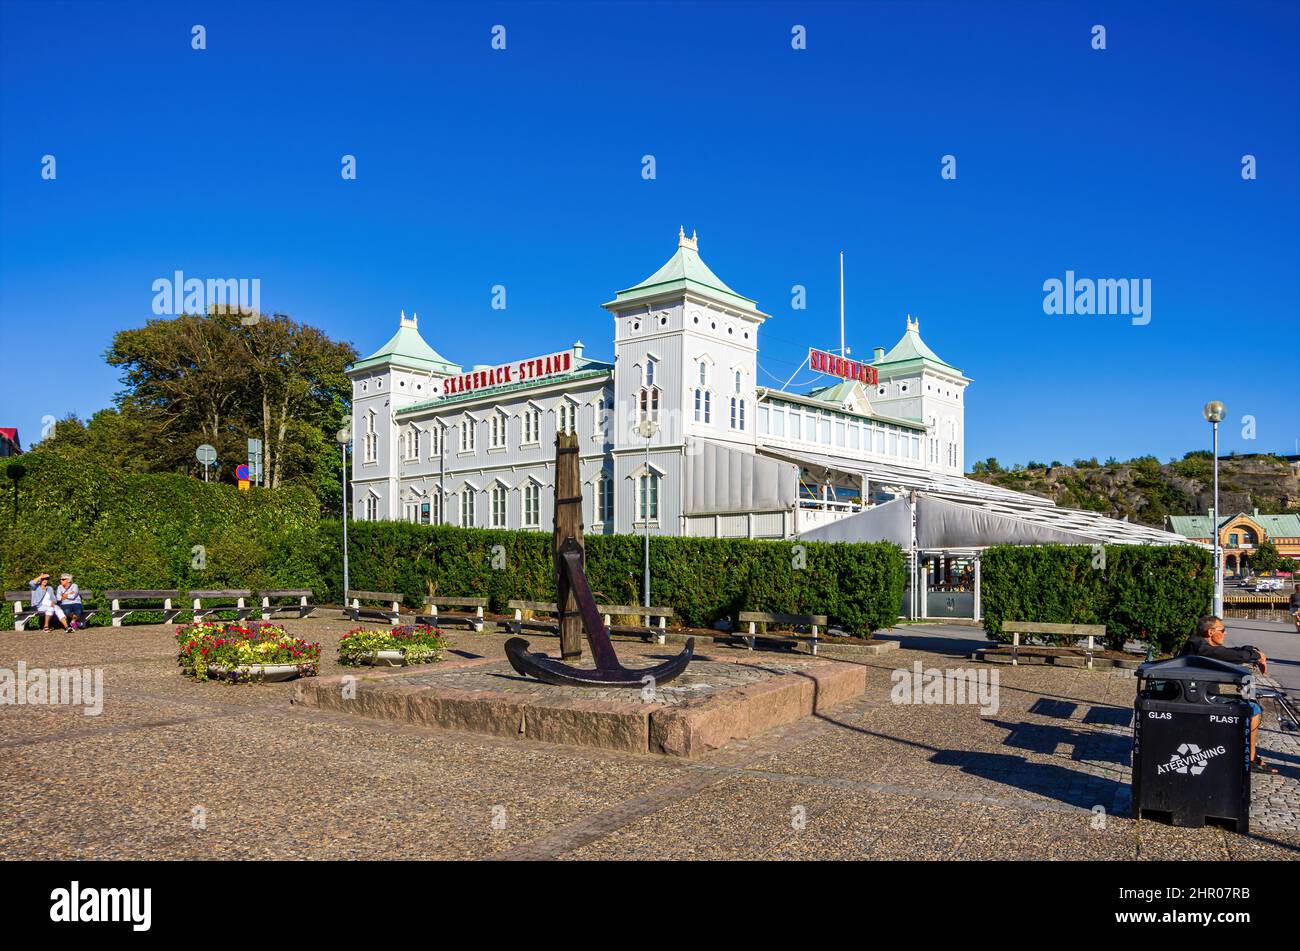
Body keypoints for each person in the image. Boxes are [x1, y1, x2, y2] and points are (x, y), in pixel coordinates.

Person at [1179, 615, 1274, 773]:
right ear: (1210, 632)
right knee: (1252, 710)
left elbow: (1228, 652)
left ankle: (1244, 753)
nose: (1225, 633)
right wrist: (1256, 656)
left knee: (1248, 700)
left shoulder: (1198, 643)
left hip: (1195, 695)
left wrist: (1252, 650)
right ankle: (1249, 760)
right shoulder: (1202, 648)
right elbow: (1231, 656)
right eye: (1222, 630)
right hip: (1196, 700)